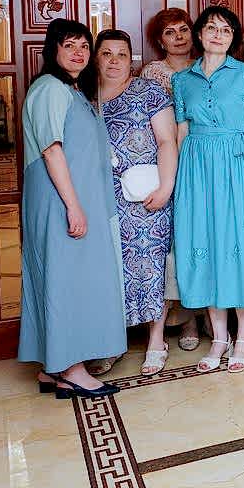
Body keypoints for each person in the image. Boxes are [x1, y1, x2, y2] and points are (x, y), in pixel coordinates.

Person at [171, 6, 244, 373]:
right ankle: (219, 337)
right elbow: (181, 133)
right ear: (199, 34)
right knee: (205, 248)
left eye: (225, 29)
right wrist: (178, 185)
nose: (218, 34)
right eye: (211, 28)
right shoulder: (182, 80)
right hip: (198, 172)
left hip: (240, 169)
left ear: (234, 37)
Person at [18, 19, 124, 398]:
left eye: (83, 46)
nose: (78, 53)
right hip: (60, 201)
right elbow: (52, 150)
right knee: (66, 282)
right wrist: (74, 206)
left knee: (63, 279)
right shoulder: (50, 88)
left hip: (71, 199)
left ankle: (53, 367)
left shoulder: (71, 90)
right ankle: (72, 370)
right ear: (54, 50)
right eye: (69, 46)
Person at [94, 30, 177, 376]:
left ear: (132, 59)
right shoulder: (85, 96)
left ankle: (156, 340)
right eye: (107, 54)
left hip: (146, 198)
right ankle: (111, 341)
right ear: (96, 58)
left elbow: (167, 140)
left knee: (151, 266)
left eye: (122, 54)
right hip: (101, 197)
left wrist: (166, 186)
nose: (114, 61)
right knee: (108, 270)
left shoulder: (149, 91)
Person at [139, 8, 201, 350]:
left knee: (193, 242)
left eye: (183, 29)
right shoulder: (152, 73)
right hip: (164, 163)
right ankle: (159, 327)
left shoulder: (205, 66)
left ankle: (192, 317)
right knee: (166, 249)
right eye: (169, 32)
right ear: (159, 41)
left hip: (201, 161)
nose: (178, 37)